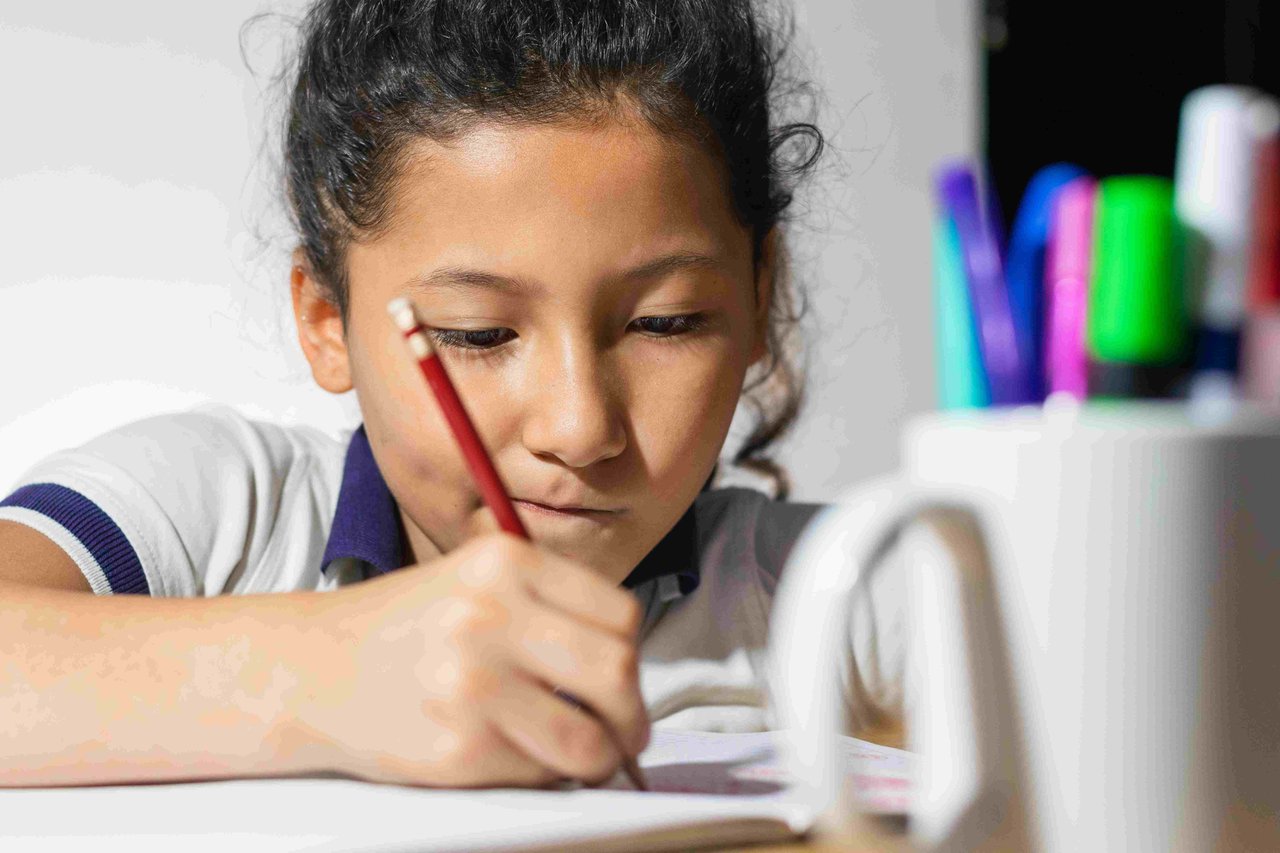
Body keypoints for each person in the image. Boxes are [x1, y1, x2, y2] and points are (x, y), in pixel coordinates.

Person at [0, 0, 904, 789]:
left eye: (665, 322)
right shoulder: (223, 514)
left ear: (759, 297)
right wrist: (331, 673)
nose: (579, 427)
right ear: (325, 317)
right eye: (477, 333)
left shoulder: (833, 588)